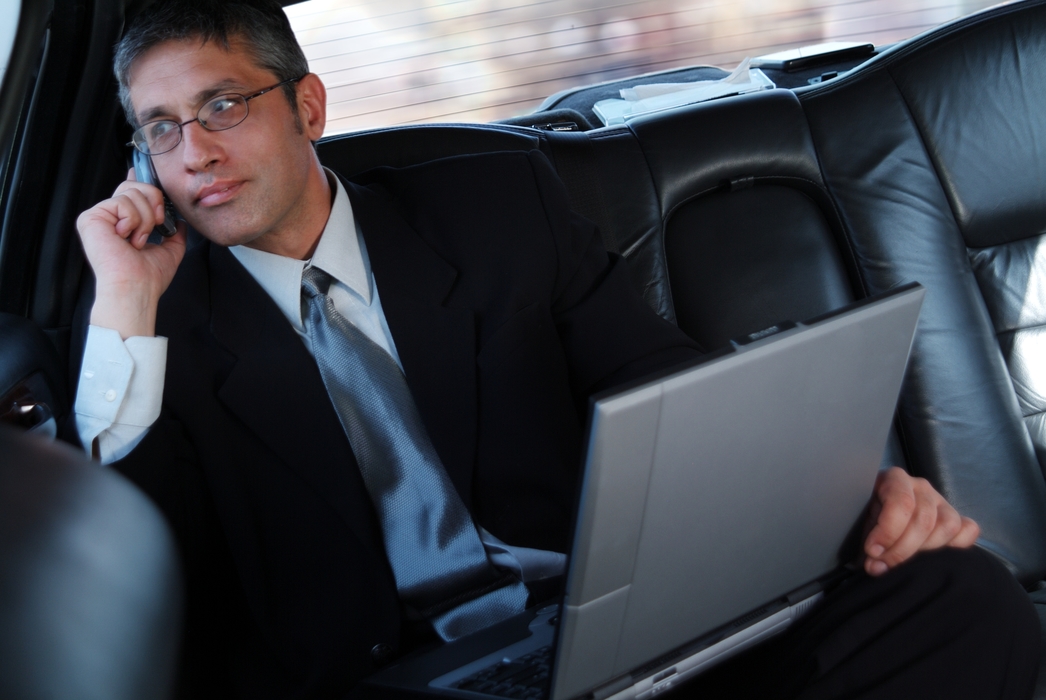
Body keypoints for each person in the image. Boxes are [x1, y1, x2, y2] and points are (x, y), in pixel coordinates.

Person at [72, 2, 1037, 699]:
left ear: (309, 108)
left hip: (608, 632)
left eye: (222, 107)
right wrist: (124, 298)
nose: (192, 151)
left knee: (959, 594)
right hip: (400, 678)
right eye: (160, 129)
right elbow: (132, 566)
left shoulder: (497, 209)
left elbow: (656, 382)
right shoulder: (153, 328)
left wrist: (846, 490)